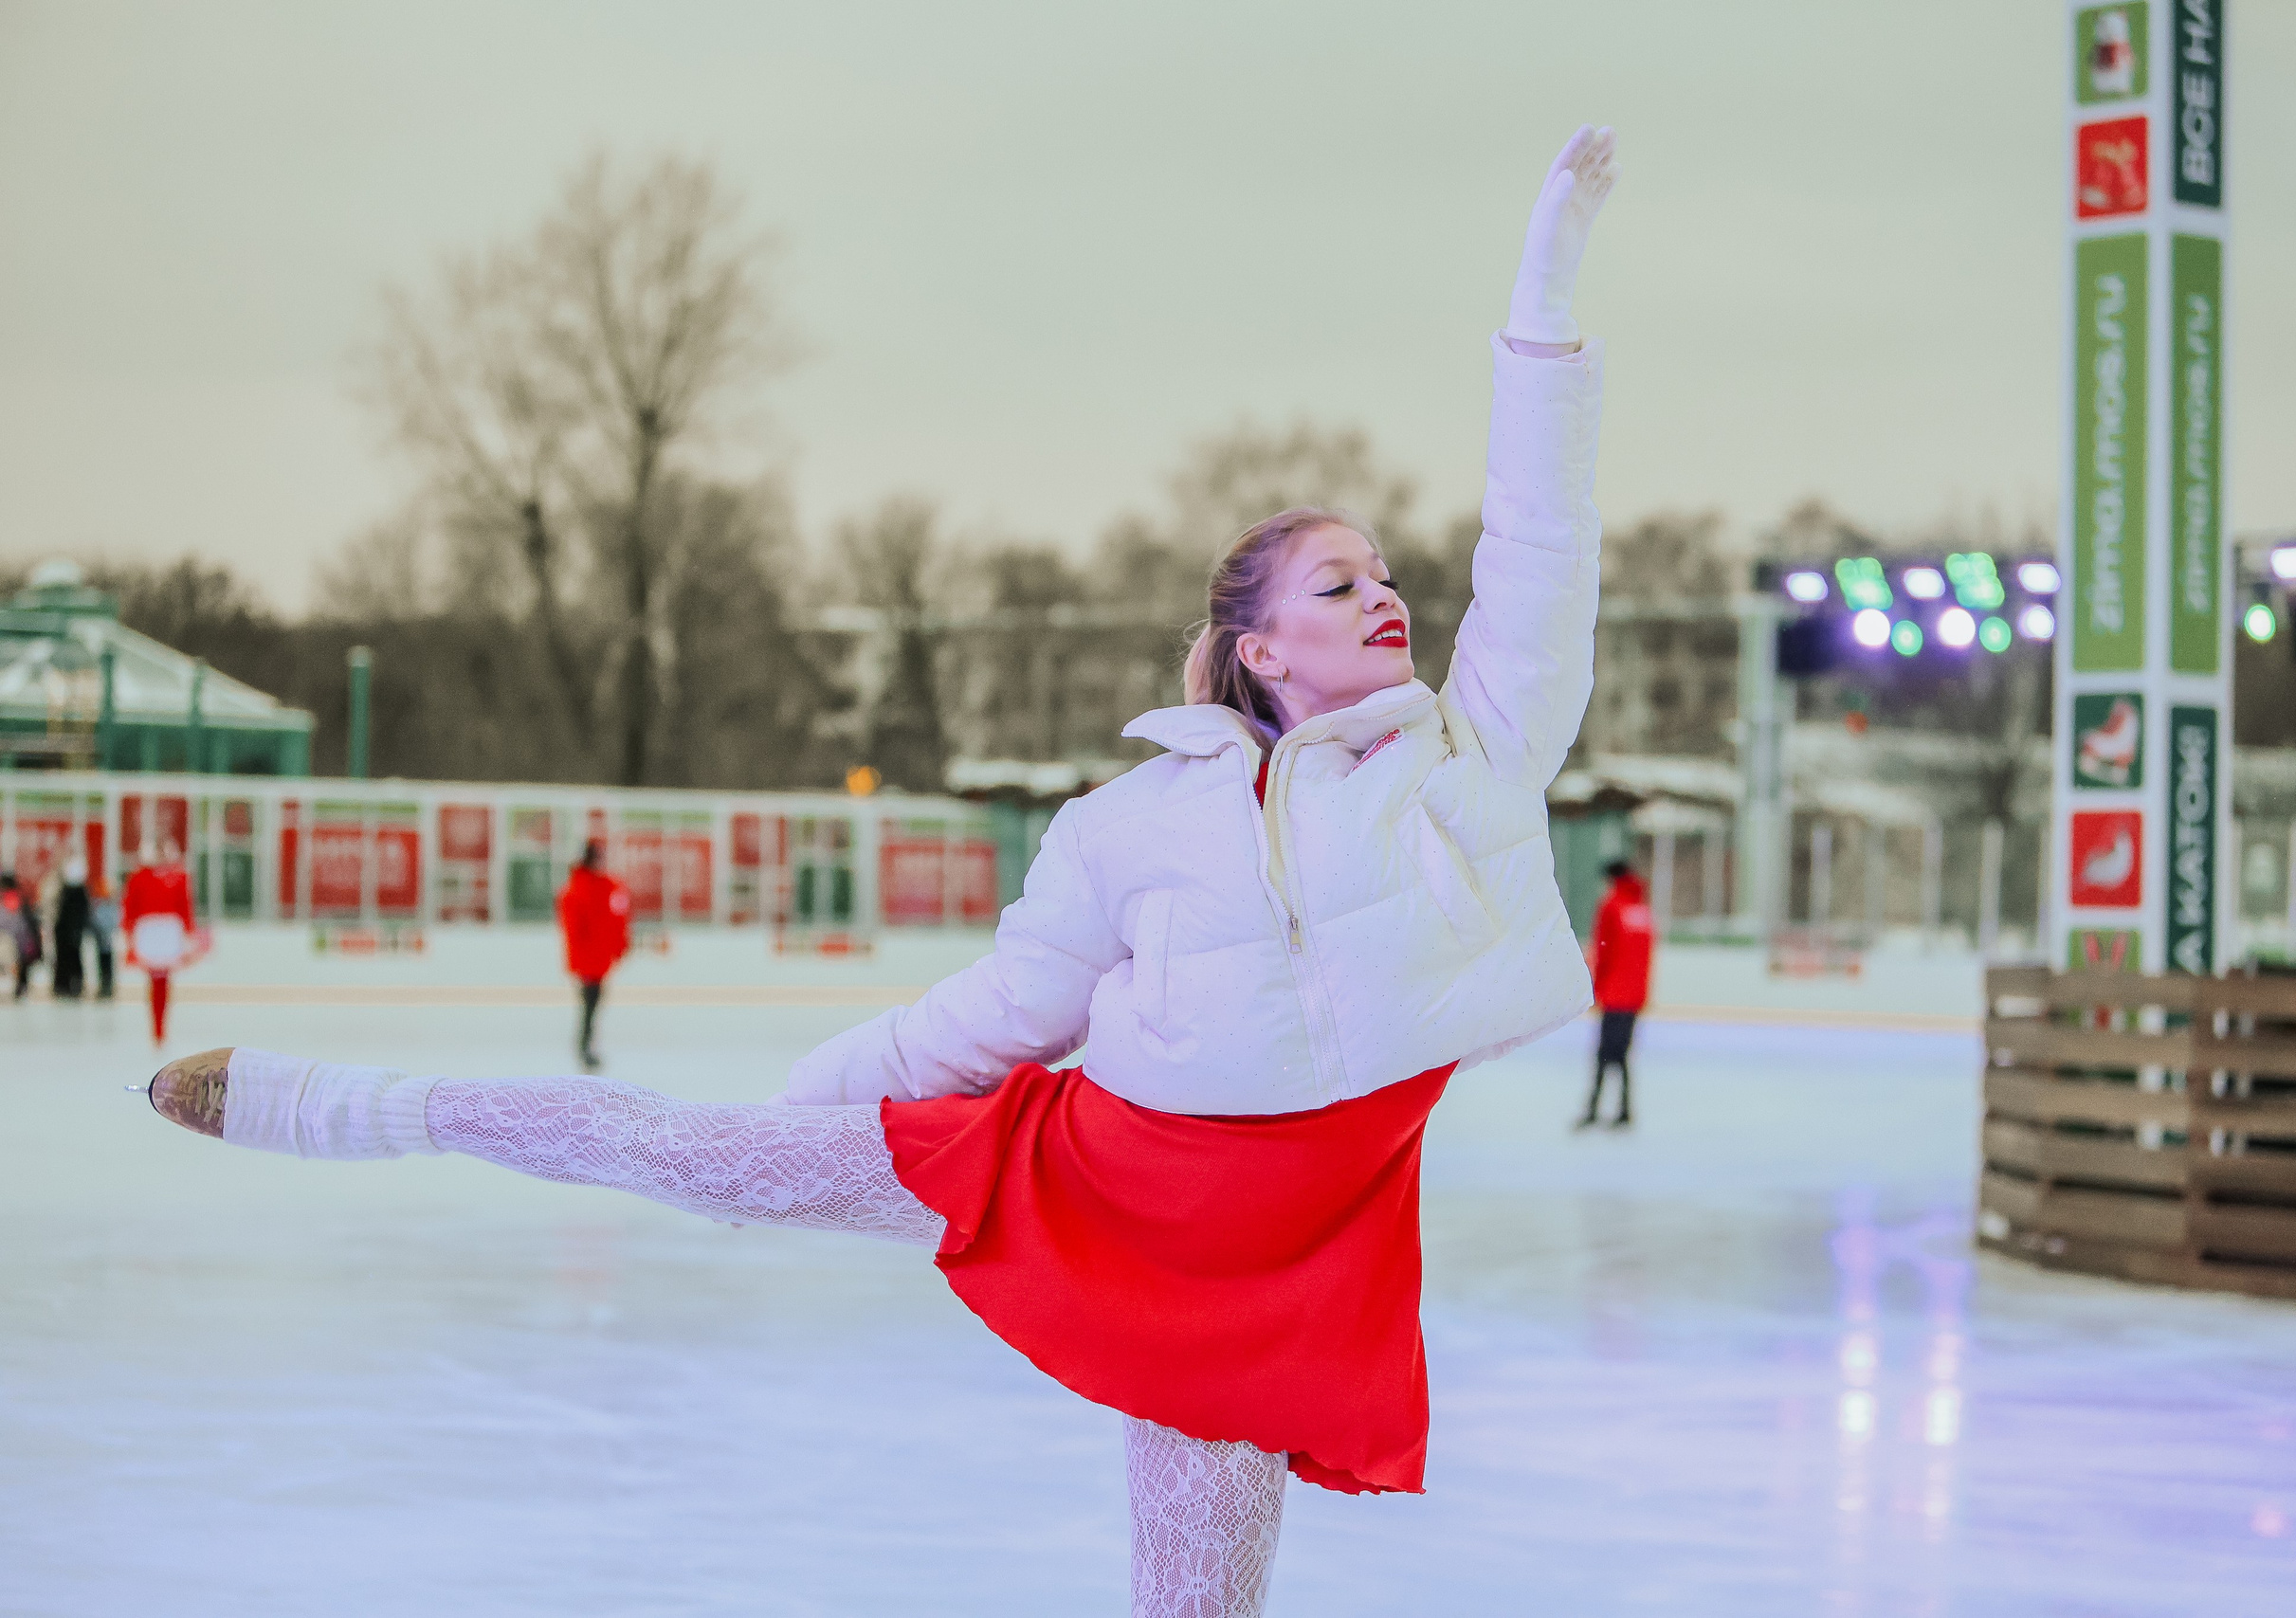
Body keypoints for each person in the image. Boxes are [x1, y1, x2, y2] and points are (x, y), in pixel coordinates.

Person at [138, 125, 1619, 1617]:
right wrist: (796, 1129)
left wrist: (1543, 299)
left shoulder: (1467, 760)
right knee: (676, 1143)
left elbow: (1541, 552)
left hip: (1275, 1271)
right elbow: (990, 1015)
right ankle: (343, 1102)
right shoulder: (1133, 821)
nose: (1389, 595)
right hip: (1079, 1180)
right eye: (1342, 580)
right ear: (1257, 643)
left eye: (1386, 573)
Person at [1581, 858, 1654, 1128]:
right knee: (1622, 1054)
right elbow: (1646, 957)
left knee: (1603, 1054)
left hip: (1613, 994)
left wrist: (1596, 989)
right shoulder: (1642, 909)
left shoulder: (1611, 906)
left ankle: (1593, 1109)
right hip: (1634, 996)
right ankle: (1624, 1109)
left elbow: (1603, 950)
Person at [556, 839, 632, 1070]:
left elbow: (617, 917)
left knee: (592, 1002)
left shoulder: (585, 887)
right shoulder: (588, 888)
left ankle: (586, 1044)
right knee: (591, 1002)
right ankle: (585, 1045)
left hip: (594, 957)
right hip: (592, 958)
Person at [122, 842, 197, 1046]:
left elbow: (185, 905)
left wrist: (190, 932)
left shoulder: (179, 877)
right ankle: (156, 1027)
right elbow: (130, 905)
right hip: (149, 931)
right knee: (154, 980)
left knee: (163, 980)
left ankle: (160, 1027)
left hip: (168, 931)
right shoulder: (139, 877)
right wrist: (128, 931)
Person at [51, 857, 92, 1000]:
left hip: (71, 935)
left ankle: (72, 986)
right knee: (65, 960)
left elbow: (80, 916)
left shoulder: (76, 893)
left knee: (72, 960)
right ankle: (64, 986)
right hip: (66, 935)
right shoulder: (69, 892)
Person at [0, 872, 38, 1000]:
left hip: (10, 940)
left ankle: (18, 988)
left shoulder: (9, 900)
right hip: (21, 940)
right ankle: (19, 988)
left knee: (14, 965)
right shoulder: (19, 899)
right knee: (18, 966)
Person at [88, 868, 118, 1002]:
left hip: (106, 942)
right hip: (101, 942)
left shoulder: (110, 907)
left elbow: (112, 923)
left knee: (107, 965)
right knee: (101, 965)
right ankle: (104, 986)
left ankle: (108, 986)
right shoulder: (99, 905)